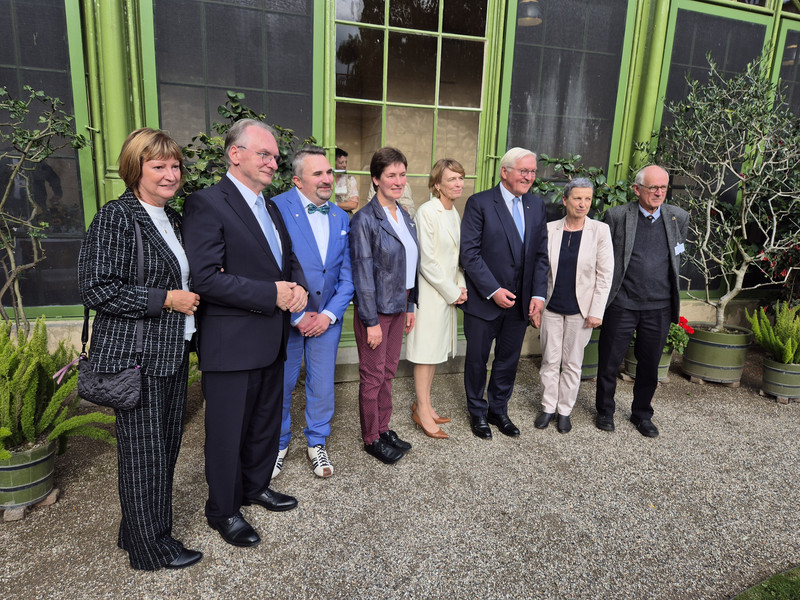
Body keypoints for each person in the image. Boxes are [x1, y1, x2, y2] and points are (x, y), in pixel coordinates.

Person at [77, 128, 202, 570]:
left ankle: (135, 533)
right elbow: (96, 288)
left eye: (175, 165)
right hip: (137, 357)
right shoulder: (117, 217)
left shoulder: (172, 217)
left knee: (160, 449)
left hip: (169, 351)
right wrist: (165, 299)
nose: (170, 174)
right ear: (135, 169)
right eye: (158, 165)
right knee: (144, 454)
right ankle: (151, 550)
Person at [182, 119, 308, 548]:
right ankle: (223, 510)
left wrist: (299, 287)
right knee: (226, 431)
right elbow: (205, 279)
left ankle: (255, 487)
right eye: (264, 154)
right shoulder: (207, 203)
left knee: (264, 424)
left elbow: (284, 262)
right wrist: (272, 294)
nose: (274, 162)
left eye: (275, 156)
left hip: (271, 340)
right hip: (231, 344)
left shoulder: (269, 206)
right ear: (235, 154)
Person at [273, 147, 354, 478]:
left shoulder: (341, 216)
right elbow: (268, 267)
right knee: (280, 383)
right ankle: (277, 444)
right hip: (286, 317)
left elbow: (348, 276)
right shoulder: (275, 208)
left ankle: (316, 442)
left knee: (322, 386)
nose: (327, 179)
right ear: (297, 180)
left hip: (326, 320)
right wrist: (298, 314)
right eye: (318, 174)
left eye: (329, 173)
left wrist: (328, 316)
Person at [459, 147, 549, 439]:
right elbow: (469, 254)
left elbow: (540, 255)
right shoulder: (480, 203)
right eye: (524, 170)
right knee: (477, 359)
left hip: (520, 304)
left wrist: (537, 294)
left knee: (508, 361)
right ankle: (477, 412)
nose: (529, 177)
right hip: (485, 303)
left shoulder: (536, 205)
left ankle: (498, 410)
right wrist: (493, 290)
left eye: (533, 171)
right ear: (505, 172)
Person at [594, 165, 689, 438]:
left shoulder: (678, 217)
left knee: (650, 365)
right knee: (609, 362)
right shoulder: (617, 216)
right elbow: (604, 258)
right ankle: (605, 411)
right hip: (622, 302)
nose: (659, 193)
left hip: (658, 306)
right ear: (637, 190)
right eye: (653, 188)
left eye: (663, 187)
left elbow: (678, 252)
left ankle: (642, 414)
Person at [350, 146, 419, 464]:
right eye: (391, 175)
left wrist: (410, 306)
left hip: (399, 304)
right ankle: (370, 438)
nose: (398, 180)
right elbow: (362, 274)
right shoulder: (365, 219)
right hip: (375, 310)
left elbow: (409, 263)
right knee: (373, 376)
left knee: (389, 373)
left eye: (402, 174)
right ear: (376, 179)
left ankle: (384, 427)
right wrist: (370, 321)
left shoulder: (402, 214)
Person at [534, 178, 614, 434]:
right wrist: (536, 305)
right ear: (565, 200)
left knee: (572, 363)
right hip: (552, 307)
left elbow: (605, 275)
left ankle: (565, 411)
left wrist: (596, 311)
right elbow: (541, 271)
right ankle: (548, 407)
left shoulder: (600, 231)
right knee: (549, 360)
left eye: (588, 199)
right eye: (578, 198)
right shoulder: (549, 229)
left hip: (582, 311)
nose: (583, 204)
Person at [404, 158, 468, 439]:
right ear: (437, 184)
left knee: (434, 354)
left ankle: (425, 405)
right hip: (430, 295)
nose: (458, 184)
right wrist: (453, 292)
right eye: (452, 179)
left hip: (445, 294)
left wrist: (461, 286)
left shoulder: (453, 211)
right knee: (425, 354)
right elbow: (427, 262)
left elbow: (455, 258)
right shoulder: (427, 212)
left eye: (460, 178)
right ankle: (423, 413)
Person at [334, 148, 359, 214]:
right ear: (334, 162)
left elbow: (354, 204)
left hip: (345, 214)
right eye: (341, 162)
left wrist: (335, 204)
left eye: (346, 162)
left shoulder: (350, 179)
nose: (345, 165)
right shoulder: (327, 178)